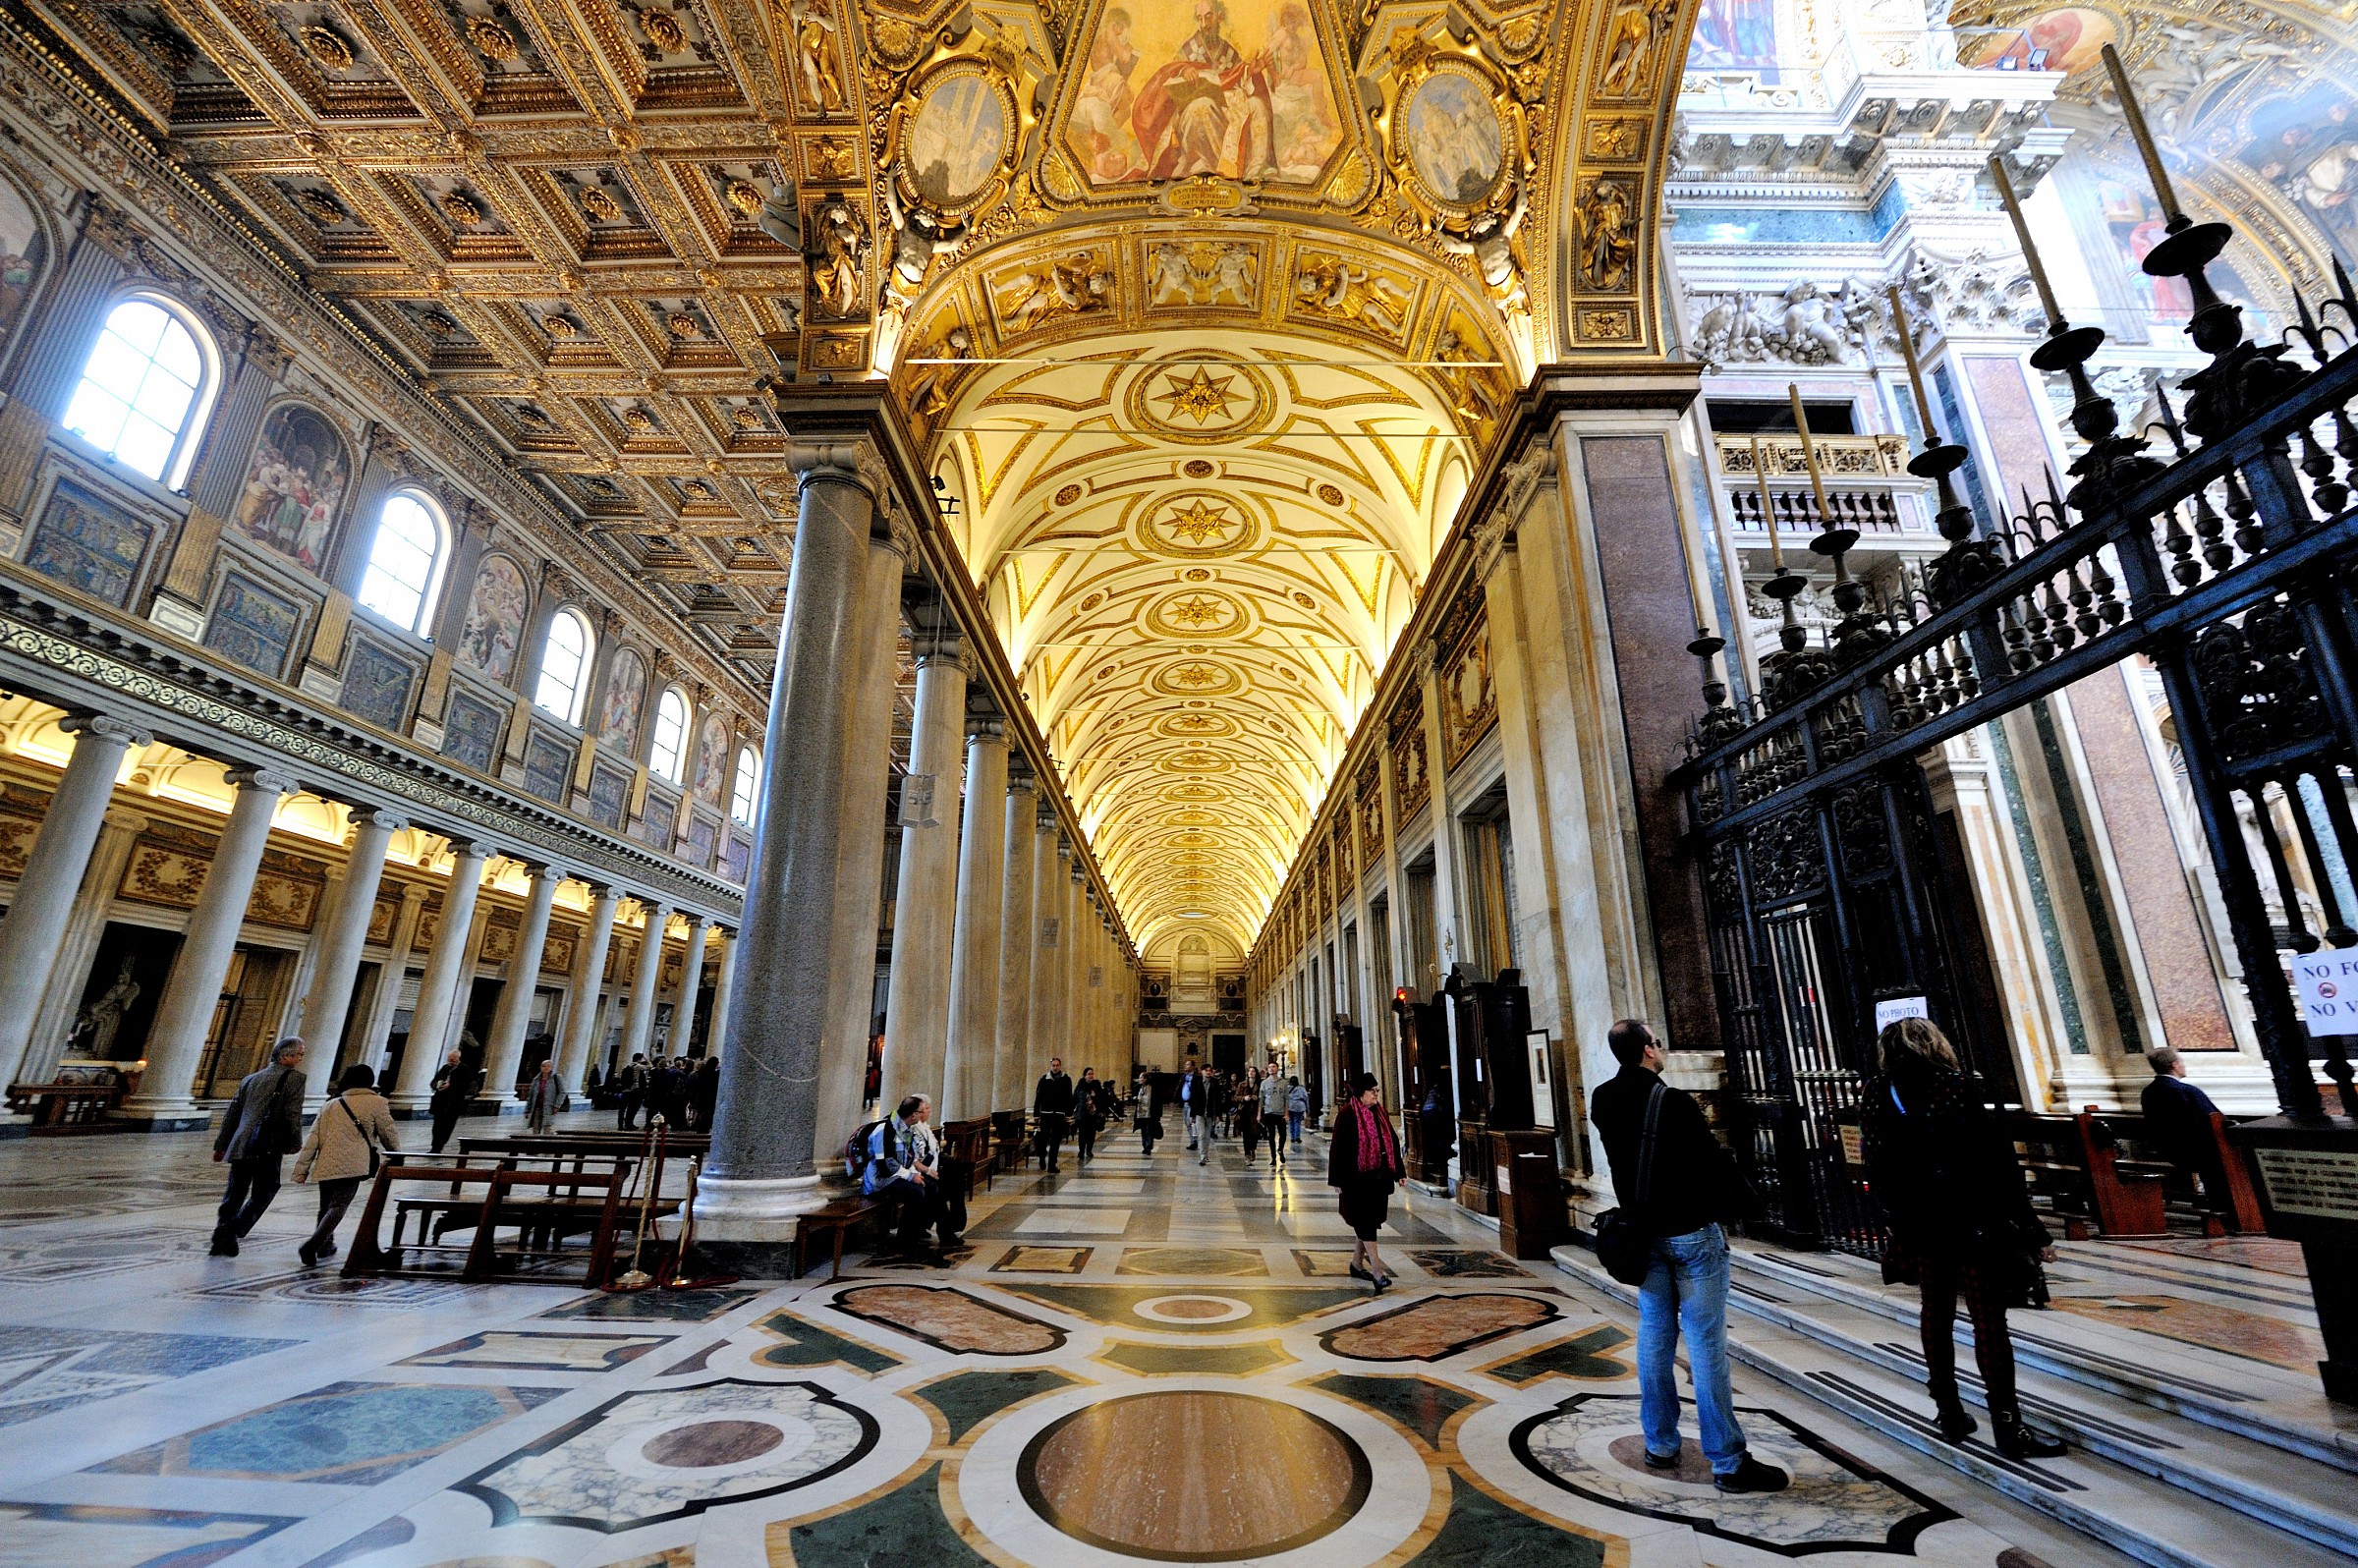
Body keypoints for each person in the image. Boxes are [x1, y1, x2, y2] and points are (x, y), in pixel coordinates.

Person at [1593, 1019, 1789, 1494]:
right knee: (1705, 1346)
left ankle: (1660, 1444)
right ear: (1646, 1051)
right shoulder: (1674, 1102)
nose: (1661, 1050)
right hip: (1691, 1236)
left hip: (1644, 1236)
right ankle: (1727, 1460)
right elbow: (1709, 1161)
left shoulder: (1603, 1098)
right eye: (1656, 1044)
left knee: (1655, 1337)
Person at [1862, 1017, 2067, 1459]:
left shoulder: (1878, 1091)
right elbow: (1996, 1165)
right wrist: (2033, 1229)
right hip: (1972, 1222)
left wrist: (1898, 1217)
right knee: (1988, 1321)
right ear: (1935, 1044)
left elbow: (1876, 1163)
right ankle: (2009, 1427)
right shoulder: (1957, 1086)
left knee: (1935, 1313)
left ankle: (1950, 1412)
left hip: (1921, 1224)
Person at [291, 1061, 398, 1267]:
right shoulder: (377, 1102)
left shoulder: (331, 1104)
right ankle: (312, 1245)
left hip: (327, 1161)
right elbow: (388, 1132)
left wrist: (301, 1169)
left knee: (325, 1206)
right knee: (339, 1205)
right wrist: (397, 1153)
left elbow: (313, 1139)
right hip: (353, 1163)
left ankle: (325, 1245)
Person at [209, 1036, 308, 1257]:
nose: (301, 1058)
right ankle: (232, 1230)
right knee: (266, 1190)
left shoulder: (250, 1078)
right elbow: (293, 1113)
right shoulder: (295, 1079)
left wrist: (221, 1144)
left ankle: (222, 1234)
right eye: (300, 1054)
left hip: (241, 1143)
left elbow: (232, 1114)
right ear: (286, 1056)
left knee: (235, 1192)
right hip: (267, 1144)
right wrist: (296, 1140)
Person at [1327, 1073, 1403, 1290]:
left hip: (1379, 1177)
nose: (1376, 1094)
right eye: (1372, 1091)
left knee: (1370, 1221)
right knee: (1366, 1222)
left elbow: (1392, 1142)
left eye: (1377, 1090)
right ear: (1361, 1094)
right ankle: (1378, 1273)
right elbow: (1337, 1149)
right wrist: (1336, 1180)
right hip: (1355, 1179)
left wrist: (1400, 1172)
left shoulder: (1379, 1112)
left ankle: (1356, 1263)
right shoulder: (1347, 1114)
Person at [2140, 1046, 2232, 1224]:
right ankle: (2231, 1210)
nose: (2183, 1065)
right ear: (2175, 1065)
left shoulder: (2149, 1092)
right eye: (2181, 1061)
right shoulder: (2187, 1091)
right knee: (2224, 1159)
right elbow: (2219, 1121)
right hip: (2201, 1152)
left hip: (2170, 1150)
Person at [864, 1094, 949, 1260]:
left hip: (895, 1176)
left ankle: (914, 1234)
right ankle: (905, 1242)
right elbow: (885, 1164)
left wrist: (916, 1174)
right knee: (916, 1192)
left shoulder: (906, 1129)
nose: (925, 1113)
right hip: (879, 1180)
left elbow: (908, 1158)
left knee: (931, 1187)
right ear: (913, 1114)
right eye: (921, 1110)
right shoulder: (885, 1129)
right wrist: (911, 1177)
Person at [427, 1047, 476, 1154]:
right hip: (440, 1101)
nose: (451, 1062)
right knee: (437, 1126)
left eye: (453, 1060)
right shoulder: (445, 1068)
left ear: (458, 1058)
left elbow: (465, 1085)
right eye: (450, 1059)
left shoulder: (464, 1069)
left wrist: (450, 1085)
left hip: (453, 1103)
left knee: (447, 1126)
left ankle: (439, 1145)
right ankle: (435, 1147)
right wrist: (436, 1085)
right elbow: (435, 1080)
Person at [1035, 1055, 1075, 1172]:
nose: (1055, 1067)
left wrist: (1068, 1114)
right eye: (1053, 1065)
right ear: (1051, 1066)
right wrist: (1036, 1114)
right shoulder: (1044, 1079)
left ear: (1060, 1066)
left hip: (1059, 1114)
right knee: (1044, 1137)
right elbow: (1039, 1097)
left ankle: (1052, 1164)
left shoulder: (1066, 1080)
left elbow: (1068, 1097)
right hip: (1045, 1113)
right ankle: (1042, 1157)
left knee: (1056, 1140)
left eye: (1057, 1065)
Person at [1074, 1066, 1105, 1163]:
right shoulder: (1080, 1086)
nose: (1091, 1076)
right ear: (1084, 1075)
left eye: (1092, 1074)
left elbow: (1101, 1099)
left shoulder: (1097, 1086)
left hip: (1093, 1114)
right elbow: (1074, 1099)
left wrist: (1102, 1111)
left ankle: (1089, 1150)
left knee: (1091, 1134)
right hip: (1082, 1114)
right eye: (1088, 1074)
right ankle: (1081, 1150)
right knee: (1082, 1134)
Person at [523, 1056, 562, 1133]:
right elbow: (531, 1095)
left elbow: (562, 1092)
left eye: (548, 1066)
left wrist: (557, 1105)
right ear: (541, 1067)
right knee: (536, 1126)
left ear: (551, 1067)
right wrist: (527, 1110)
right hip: (537, 1106)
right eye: (544, 1066)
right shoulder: (536, 1079)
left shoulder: (556, 1078)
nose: (546, 1068)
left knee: (547, 1126)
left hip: (550, 1107)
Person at [1197, 1064, 1224, 1165]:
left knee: (1207, 1136)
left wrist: (1218, 1115)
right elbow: (1194, 1099)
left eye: (1209, 1070)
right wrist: (1192, 1115)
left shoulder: (1215, 1083)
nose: (1208, 1072)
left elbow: (1218, 1099)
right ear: (1202, 1071)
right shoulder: (1197, 1082)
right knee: (1201, 1134)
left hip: (1210, 1113)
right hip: (1199, 1113)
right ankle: (1202, 1156)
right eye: (1206, 1070)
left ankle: (1205, 1154)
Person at [1261, 1067, 1287, 1170]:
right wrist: (1259, 1113)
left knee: (1283, 1135)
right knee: (1271, 1136)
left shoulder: (1283, 1082)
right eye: (1269, 1067)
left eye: (1273, 1067)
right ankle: (1273, 1157)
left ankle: (1280, 1149)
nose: (1271, 1069)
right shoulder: (1265, 1083)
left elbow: (1286, 1099)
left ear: (1277, 1069)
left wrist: (1286, 1113)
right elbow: (1261, 1099)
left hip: (1280, 1113)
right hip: (1269, 1112)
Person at [688, 1055, 721, 1131]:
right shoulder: (715, 1074)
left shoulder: (701, 1073)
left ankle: (699, 1127)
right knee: (708, 1115)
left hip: (702, 1096)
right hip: (711, 1097)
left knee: (701, 1113)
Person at [1135, 1067, 1163, 1154]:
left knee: (1149, 1130)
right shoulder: (1137, 1088)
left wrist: (1159, 1114)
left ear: (1145, 1079)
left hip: (1150, 1113)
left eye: (1141, 1078)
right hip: (1141, 1113)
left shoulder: (1153, 1088)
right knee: (1143, 1131)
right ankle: (1145, 1146)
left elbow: (1158, 1101)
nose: (1139, 1079)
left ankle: (1148, 1147)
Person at [616, 1052, 647, 1130]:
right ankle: (629, 1123)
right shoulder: (637, 1066)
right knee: (632, 1108)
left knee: (622, 1109)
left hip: (625, 1090)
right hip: (633, 1090)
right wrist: (646, 1058)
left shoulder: (627, 1067)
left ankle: (620, 1124)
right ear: (639, 1059)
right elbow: (650, 1066)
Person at [1178, 1061, 1205, 1150]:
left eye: (1187, 1064)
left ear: (1193, 1066)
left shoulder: (1197, 1078)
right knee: (1187, 1123)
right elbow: (1179, 1088)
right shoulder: (1183, 1077)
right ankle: (1193, 1141)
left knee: (1192, 1122)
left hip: (1192, 1104)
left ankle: (1196, 1140)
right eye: (1185, 1064)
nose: (1185, 1066)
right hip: (1185, 1104)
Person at [1286, 1076, 1308, 1151]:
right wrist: (1307, 1108)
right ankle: (1297, 1137)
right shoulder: (1301, 1088)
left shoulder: (1287, 1088)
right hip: (1299, 1106)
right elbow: (1305, 1097)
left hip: (1290, 1106)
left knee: (1291, 1121)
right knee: (1297, 1121)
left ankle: (1292, 1137)